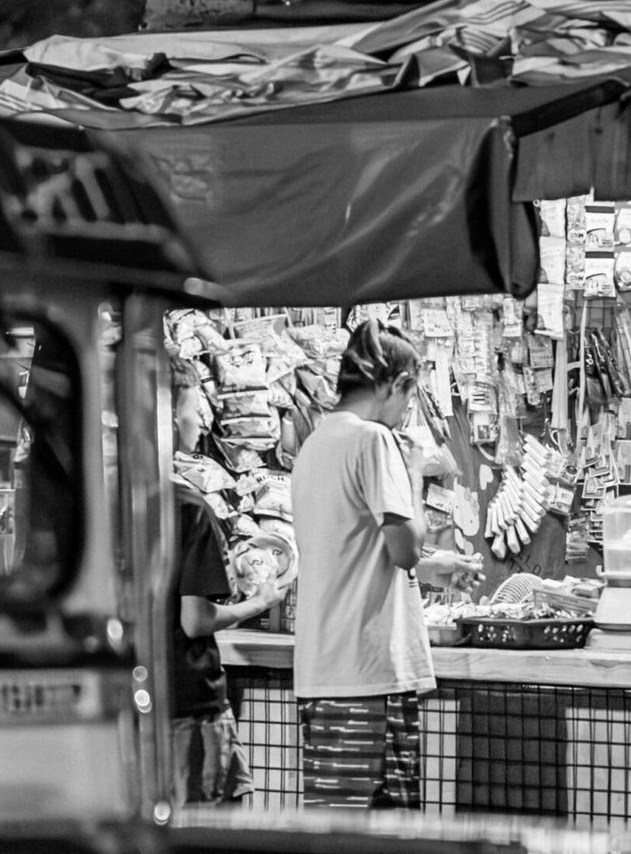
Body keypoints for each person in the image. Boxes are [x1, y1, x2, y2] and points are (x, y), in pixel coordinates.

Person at [290, 318, 478, 811]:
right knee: (381, 843)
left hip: (326, 673)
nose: (405, 412)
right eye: (409, 398)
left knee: (336, 836)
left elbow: (355, 548)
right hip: (369, 676)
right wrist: (413, 473)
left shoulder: (315, 444)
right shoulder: (374, 442)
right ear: (396, 384)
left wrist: (432, 567)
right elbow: (405, 549)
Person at [170, 384, 286, 808]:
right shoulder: (188, 507)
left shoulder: (102, 502)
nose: (202, 420)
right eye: (193, 409)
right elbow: (195, 620)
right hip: (190, 704)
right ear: (165, 415)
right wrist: (261, 602)